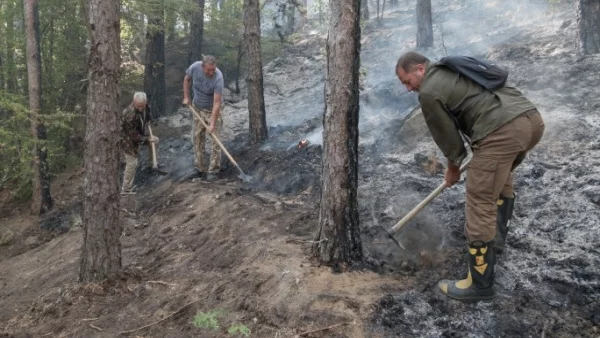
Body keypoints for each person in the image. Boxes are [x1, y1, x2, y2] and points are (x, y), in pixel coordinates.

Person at [395, 51, 545, 301]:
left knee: (479, 200)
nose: (408, 89)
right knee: (500, 178)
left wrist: (452, 169)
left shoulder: (429, 91)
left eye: (406, 81)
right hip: (531, 121)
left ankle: (479, 284)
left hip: (502, 130)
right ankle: (494, 243)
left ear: (420, 69)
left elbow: (449, 139)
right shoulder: (451, 69)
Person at [182, 55, 225, 181]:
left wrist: (212, 124)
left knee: (215, 140)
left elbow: (217, 103)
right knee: (197, 137)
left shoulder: (218, 78)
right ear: (202, 67)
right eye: (208, 70)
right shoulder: (195, 67)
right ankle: (200, 168)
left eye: (213, 69)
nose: (211, 72)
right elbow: (187, 79)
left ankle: (214, 170)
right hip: (197, 107)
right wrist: (186, 97)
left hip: (213, 109)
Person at [121, 92, 158, 194]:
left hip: (140, 132)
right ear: (134, 102)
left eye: (142, 106)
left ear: (145, 102)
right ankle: (126, 189)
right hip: (127, 138)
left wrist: (149, 121)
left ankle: (152, 164)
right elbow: (133, 135)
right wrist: (146, 140)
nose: (141, 108)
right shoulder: (129, 114)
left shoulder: (145, 106)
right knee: (132, 162)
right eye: (138, 106)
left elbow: (148, 114)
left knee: (155, 141)